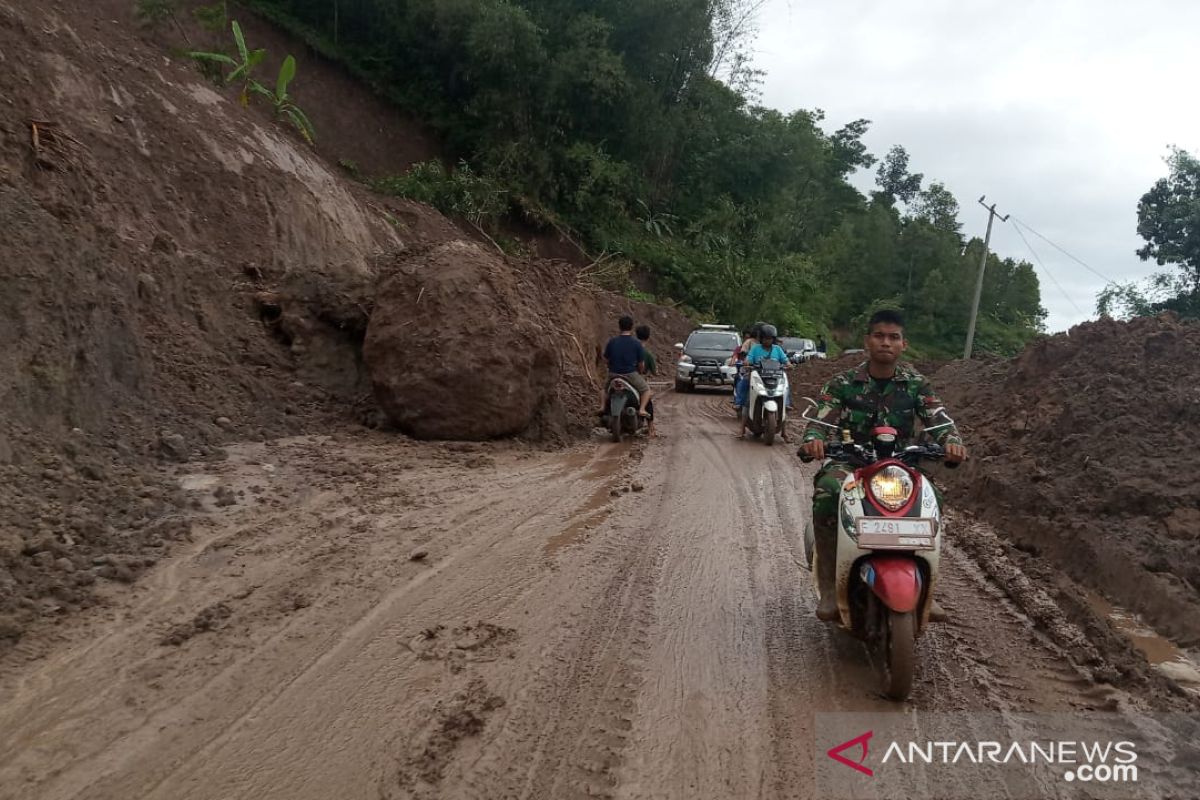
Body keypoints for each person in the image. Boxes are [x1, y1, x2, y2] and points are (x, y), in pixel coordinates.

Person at [800, 309, 967, 622]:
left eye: (893, 337)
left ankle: (926, 586)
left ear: (903, 344)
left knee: (932, 498)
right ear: (867, 341)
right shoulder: (843, 383)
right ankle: (827, 586)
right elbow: (821, 418)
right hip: (850, 462)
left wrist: (952, 442)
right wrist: (814, 439)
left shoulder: (917, 385)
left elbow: (939, 419)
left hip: (901, 464)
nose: (886, 343)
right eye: (879, 336)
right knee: (827, 491)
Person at [738, 323, 791, 440]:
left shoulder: (777, 349)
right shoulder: (756, 349)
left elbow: (785, 361)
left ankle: (784, 430)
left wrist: (788, 364)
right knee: (747, 396)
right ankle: (741, 428)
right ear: (761, 338)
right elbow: (748, 359)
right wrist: (747, 363)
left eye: (770, 338)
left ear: (774, 339)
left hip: (775, 376)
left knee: (785, 391)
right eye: (766, 338)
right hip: (758, 376)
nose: (768, 341)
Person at [600, 315, 652, 421]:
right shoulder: (637, 344)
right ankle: (642, 409)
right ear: (631, 327)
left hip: (613, 374)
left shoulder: (612, 341)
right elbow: (641, 364)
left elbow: (605, 360)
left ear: (619, 327)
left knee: (604, 389)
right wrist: (640, 371)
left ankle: (602, 407)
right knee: (646, 390)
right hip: (630, 374)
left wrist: (611, 365)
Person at [636, 325, 658, 437]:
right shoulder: (647, 354)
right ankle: (651, 428)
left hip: (622, 375)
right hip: (638, 379)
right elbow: (654, 372)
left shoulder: (630, 348)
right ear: (648, 337)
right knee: (647, 400)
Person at [731, 325, 760, 410]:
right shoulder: (749, 343)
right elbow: (741, 354)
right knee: (742, 380)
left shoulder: (772, 346)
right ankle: (739, 401)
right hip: (748, 369)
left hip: (765, 371)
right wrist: (743, 361)